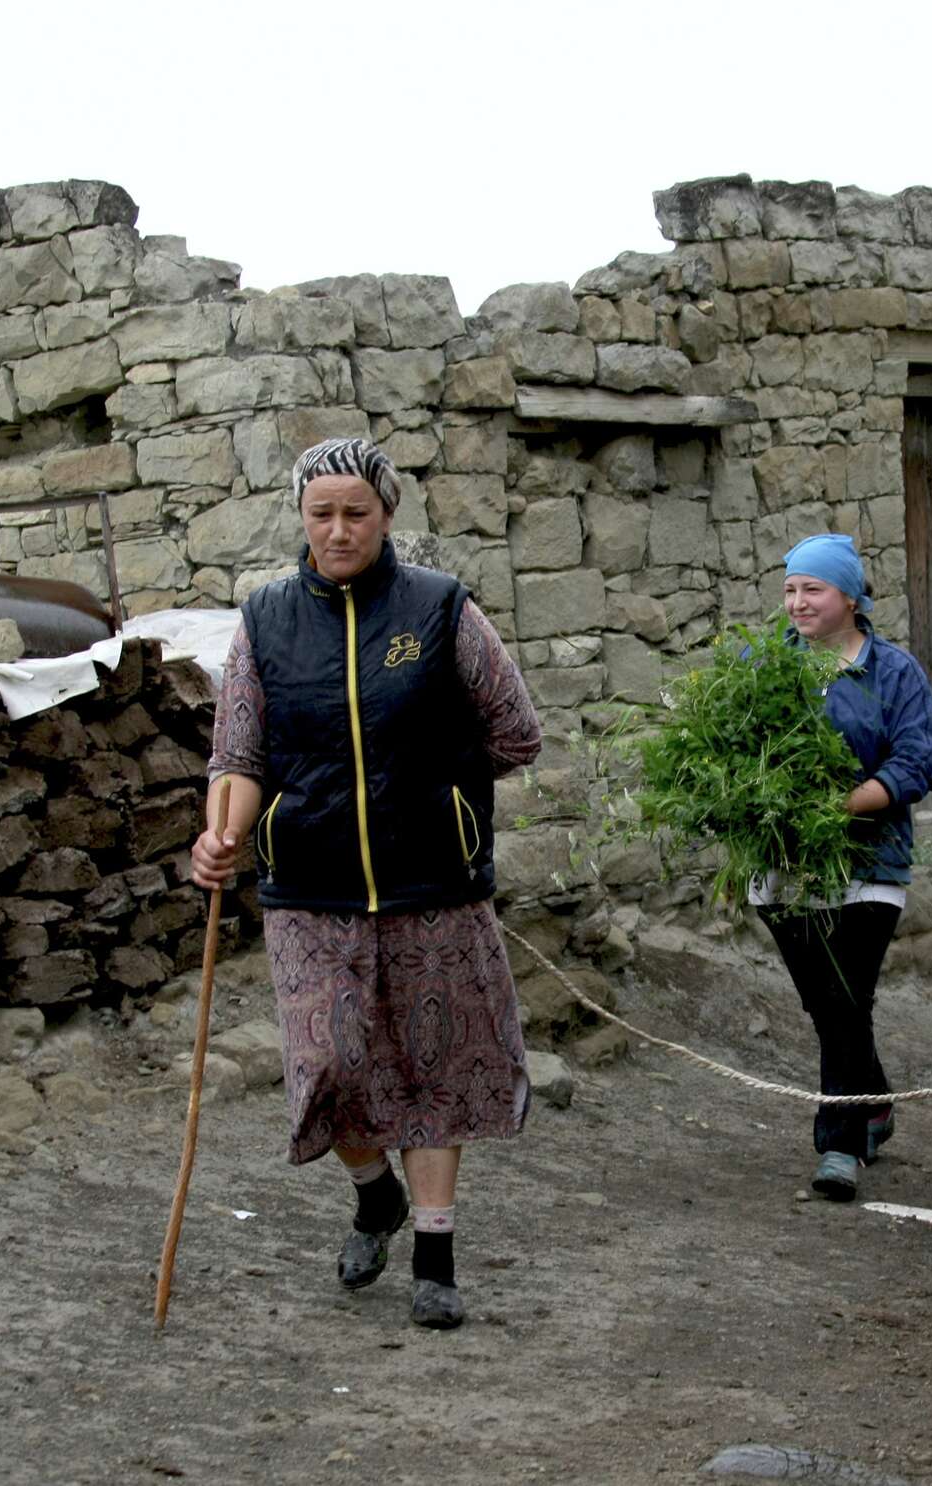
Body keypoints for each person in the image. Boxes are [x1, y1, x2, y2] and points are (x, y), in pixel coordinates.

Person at [189, 436, 543, 1330]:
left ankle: (434, 1255)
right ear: (301, 519)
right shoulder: (265, 620)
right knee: (330, 1067)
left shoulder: (439, 608)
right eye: (322, 514)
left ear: (387, 515)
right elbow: (238, 752)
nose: (338, 530)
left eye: (356, 512)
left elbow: (515, 730)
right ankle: (372, 1193)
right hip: (310, 885)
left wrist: (436, 785)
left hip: (433, 880)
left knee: (435, 1067)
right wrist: (222, 837)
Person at [752, 533, 932, 1203]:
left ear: (851, 597)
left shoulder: (894, 673)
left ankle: (838, 1147)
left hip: (868, 862)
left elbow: (920, 761)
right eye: (790, 590)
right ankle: (875, 1099)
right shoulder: (763, 665)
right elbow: (734, 745)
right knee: (828, 1005)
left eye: (813, 590)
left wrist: (845, 805)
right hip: (784, 867)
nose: (797, 602)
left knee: (842, 998)